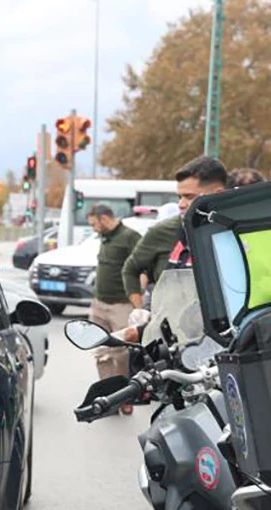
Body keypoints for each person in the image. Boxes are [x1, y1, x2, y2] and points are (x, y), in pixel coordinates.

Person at [120, 156, 227, 306]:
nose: (181, 204)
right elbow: (130, 269)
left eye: (189, 197)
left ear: (218, 194)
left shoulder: (236, 231)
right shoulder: (163, 231)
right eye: (179, 197)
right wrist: (139, 310)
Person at [87, 204, 143, 411]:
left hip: (121, 304)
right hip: (99, 303)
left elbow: (140, 268)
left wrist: (138, 302)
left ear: (104, 218)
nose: (93, 228)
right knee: (99, 350)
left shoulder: (130, 237)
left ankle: (124, 397)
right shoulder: (105, 236)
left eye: (94, 223)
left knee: (120, 354)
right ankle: (106, 397)